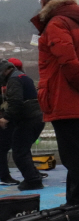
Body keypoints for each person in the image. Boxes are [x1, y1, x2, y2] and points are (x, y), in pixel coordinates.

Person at [31, 0, 79, 217]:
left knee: (73, 157)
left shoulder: (57, 24)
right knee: (77, 154)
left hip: (66, 97)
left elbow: (69, 63)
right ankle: (78, 200)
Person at [0, 60, 45, 190]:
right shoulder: (23, 76)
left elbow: (16, 102)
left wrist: (6, 118)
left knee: (19, 151)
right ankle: (34, 175)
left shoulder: (14, 80)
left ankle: (32, 180)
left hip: (28, 119)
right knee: (24, 149)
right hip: (37, 117)